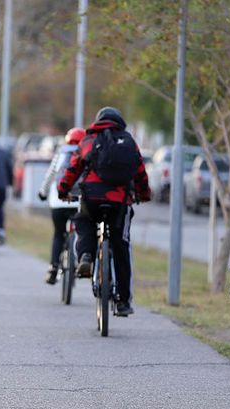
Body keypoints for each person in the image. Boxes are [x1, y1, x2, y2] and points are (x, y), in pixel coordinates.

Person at [57, 107, 151, 316]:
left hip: (92, 197)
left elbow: (73, 169)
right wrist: (144, 195)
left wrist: (63, 190)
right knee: (121, 246)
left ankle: (86, 256)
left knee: (83, 222)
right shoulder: (128, 142)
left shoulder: (88, 140)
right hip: (120, 201)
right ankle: (123, 302)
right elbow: (140, 172)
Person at [38, 127, 86, 284]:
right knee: (82, 231)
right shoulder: (87, 153)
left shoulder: (61, 153)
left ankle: (53, 267)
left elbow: (51, 174)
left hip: (59, 201)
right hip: (79, 201)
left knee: (58, 233)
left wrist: (43, 192)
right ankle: (81, 261)